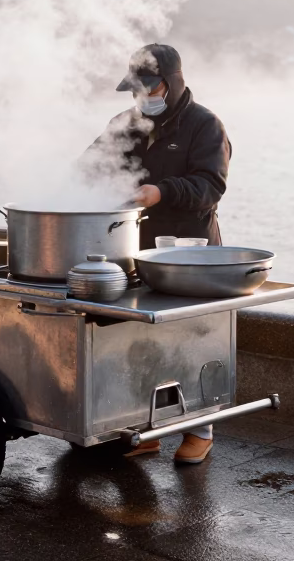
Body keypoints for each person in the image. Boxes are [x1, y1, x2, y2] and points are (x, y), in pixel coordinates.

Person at [87, 43, 232, 464]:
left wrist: (160, 192)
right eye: (135, 89)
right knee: (139, 340)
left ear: (169, 84)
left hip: (190, 253)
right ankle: (144, 429)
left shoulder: (205, 126)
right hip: (135, 250)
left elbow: (210, 186)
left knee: (190, 342)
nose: (141, 97)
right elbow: (90, 164)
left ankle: (200, 432)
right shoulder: (126, 123)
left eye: (147, 88)